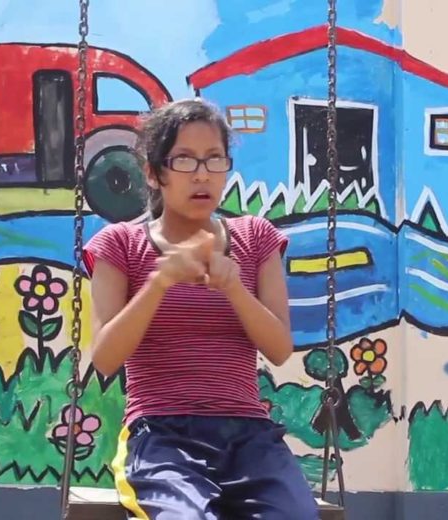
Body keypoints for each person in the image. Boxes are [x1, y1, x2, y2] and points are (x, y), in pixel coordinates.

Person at [82, 98, 319, 520]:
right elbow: (105, 358)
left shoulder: (255, 238)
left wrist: (234, 289)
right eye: (185, 160)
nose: (202, 174)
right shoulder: (121, 245)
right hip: (161, 434)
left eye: (214, 159)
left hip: (249, 437)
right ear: (153, 173)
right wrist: (159, 283)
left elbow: (280, 349)